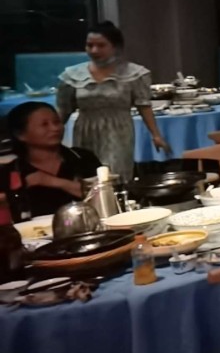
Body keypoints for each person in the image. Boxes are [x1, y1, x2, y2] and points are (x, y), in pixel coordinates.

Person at [56, 21, 166, 181]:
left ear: (115, 47)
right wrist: (53, 139)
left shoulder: (133, 74)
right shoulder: (72, 75)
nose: (94, 50)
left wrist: (156, 135)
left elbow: (144, 106)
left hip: (118, 131)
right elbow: (63, 110)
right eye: (90, 45)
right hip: (86, 131)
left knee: (114, 174)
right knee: (88, 175)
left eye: (101, 45)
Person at [7, 102, 100, 220]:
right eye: (44, 124)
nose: (55, 128)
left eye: (56, 122)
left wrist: (52, 181)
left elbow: (102, 197)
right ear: (20, 135)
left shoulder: (82, 157)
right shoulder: (13, 172)